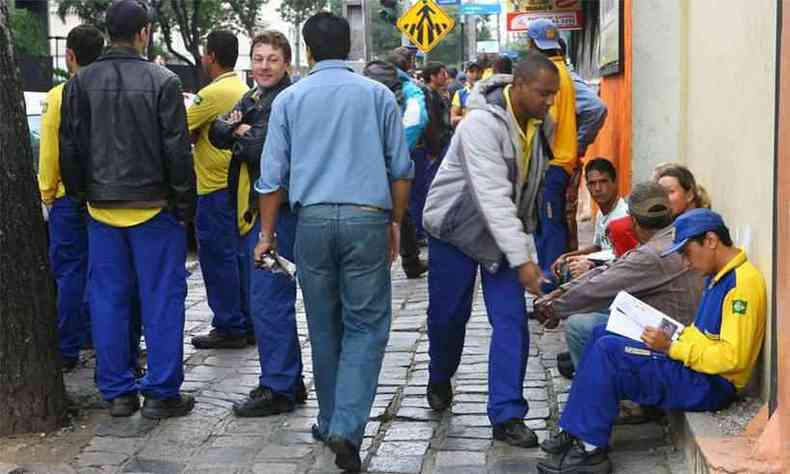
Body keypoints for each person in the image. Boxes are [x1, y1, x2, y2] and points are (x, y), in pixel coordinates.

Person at [253, 13, 412, 472]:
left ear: (306, 52)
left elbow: (271, 179)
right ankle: (346, 424)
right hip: (367, 218)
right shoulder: (378, 95)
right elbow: (400, 169)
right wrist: (395, 222)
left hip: (312, 223)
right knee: (367, 326)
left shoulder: (290, 99)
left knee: (323, 326)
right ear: (349, 48)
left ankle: (328, 420)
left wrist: (266, 236)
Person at [537, 208, 766, 474]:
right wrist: (672, 337)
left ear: (711, 241)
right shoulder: (718, 276)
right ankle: (574, 427)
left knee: (609, 351)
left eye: (686, 252)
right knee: (603, 333)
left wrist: (672, 347)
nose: (686, 263)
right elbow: (704, 335)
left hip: (711, 385)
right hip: (695, 367)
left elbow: (732, 359)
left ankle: (590, 448)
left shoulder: (741, 286)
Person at [59, 0, 196, 419]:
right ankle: (160, 392)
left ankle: (117, 392)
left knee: (107, 300)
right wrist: (184, 204)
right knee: (162, 300)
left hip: (101, 207)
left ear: (106, 33)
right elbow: (176, 149)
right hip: (154, 207)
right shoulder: (164, 80)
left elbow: (71, 148)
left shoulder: (79, 84)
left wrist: (82, 197)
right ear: (145, 33)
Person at [422, 53, 559, 448]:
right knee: (449, 318)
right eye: (543, 93)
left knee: (511, 320)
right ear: (518, 86)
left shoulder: (539, 125)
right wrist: (525, 260)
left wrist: (522, 246)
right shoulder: (480, 125)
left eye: (553, 94)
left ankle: (507, 413)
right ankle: (439, 374)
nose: (550, 102)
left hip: (500, 237)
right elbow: (494, 198)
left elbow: (525, 194)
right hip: (456, 231)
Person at [207, 30, 307, 417]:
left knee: (268, 301)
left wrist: (240, 132)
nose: (264, 66)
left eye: (272, 59)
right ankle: (288, 379)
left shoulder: (285, 100)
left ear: (287, 63)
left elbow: (262, 148)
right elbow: (217, 131)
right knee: (268, 300)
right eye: (258, 58)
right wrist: (238, 130)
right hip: (255, 210)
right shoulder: (252, 97)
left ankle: (278, 387)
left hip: (278, 214)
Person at [535, 182, 703, 374]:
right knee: (598, 307)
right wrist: (560, 292)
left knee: (578, 326)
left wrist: (554, 308)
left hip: (671, 334)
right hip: (670, 321)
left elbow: (599, 287)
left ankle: (598, 391)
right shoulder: (669, 237)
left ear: (633, 220)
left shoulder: (653, 253)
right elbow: (610, 270)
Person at [38, 24, 104, 371]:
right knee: (104, 272)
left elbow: (49, 151)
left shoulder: (60, 94)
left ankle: (67, 348)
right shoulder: (108, 91)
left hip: (67, 198)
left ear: (70, 56)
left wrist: (47, 193)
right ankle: (99, 335)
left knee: (69, 273)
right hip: (106, 196)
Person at [187, 30, 250, 350]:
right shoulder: (244, 88)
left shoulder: (210, 95)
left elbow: (177, 129)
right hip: (238, 186)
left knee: (217, 258)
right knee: (239, 257)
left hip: (213, 188)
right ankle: (245, 320)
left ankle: (228, 324)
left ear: (211, 56)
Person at [370, 52, 430, 279]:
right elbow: (417, 119)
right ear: (408, 65)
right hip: (394, 158)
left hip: (363, 161)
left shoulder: (364, 82)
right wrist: (397, 149)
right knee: (400, 211)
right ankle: (410, 260)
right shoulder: (408, 87)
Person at [550, 158, 628, 282]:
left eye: (603, 182)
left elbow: (625, 258)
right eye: (592, 183)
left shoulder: (624, 215)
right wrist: (566, 256)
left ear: (614, 183)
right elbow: (598, 247)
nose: (597, 188)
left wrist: (589, 263)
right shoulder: (600, 214)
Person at [450, 61, 481, 127]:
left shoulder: (487, 92)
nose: (475, 75)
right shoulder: (460, 94)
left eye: (478, 72)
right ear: (466, 73)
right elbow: (453, 119)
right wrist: (468, 117)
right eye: (471, 71)